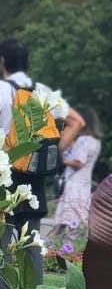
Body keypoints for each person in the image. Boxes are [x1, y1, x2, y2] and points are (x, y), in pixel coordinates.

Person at [0, 38, 76, 289]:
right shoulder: (40, 89)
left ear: (1, 62)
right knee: (32, 241)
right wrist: (55, 151)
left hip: (7, 172)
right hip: (34, 176)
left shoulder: (0, 87)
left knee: (3, 241)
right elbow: (75, 121)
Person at [48, 106, 102, 250]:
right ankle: (68, 251)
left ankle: (50, 249)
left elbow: (79, 161)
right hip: (84, 185)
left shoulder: (84, 140)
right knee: (75, 223)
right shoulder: (96, 142)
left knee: (64, 222)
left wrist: (62, 159)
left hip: (73, 185)